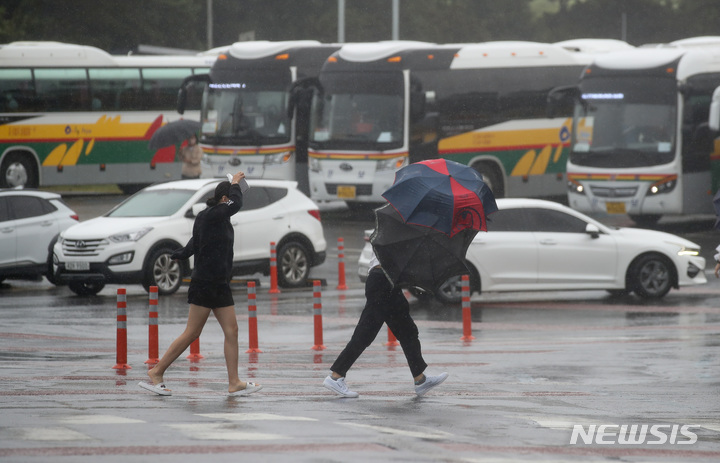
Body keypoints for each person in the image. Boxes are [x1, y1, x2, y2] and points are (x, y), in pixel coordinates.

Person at [138, 172, 262, 397]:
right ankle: (156, 371)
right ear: (224, 198)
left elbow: (194, 244)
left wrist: (179, 255)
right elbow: (236, 203)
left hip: (220, 283)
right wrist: (235, 184)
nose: (234, 202)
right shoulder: (211, 215)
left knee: (232, 330)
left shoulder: (221, 220)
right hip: (205, 282)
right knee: (192, 332)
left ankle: (234, 382)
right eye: (231, 197)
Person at [322, 251, 448, 398]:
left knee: (408, 331)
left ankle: (420, 379)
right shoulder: (395, 230)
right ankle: (335, 377)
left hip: (389, 282)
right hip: (382, 281)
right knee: (365, 333)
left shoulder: (400, 231)